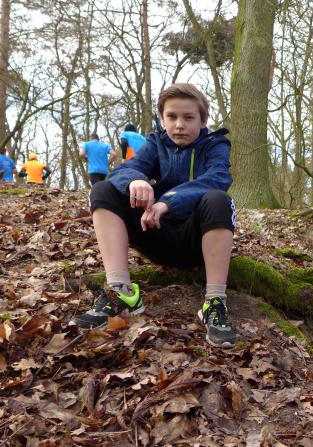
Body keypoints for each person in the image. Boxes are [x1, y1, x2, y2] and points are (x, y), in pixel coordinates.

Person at [69, 83, 237, 348]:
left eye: (188, 117)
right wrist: (135, 180)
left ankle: (214, 302)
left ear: (203, 120)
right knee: (103, 190)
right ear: (162, 118)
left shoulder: (215, 145)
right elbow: (124, 170)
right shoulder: (155, 143)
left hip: (197, 243)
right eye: (171, 116)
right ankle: (121, 291)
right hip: (156, 235)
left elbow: (218, 177)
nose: (179, 125)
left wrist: (168, 202)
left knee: (218, 199)